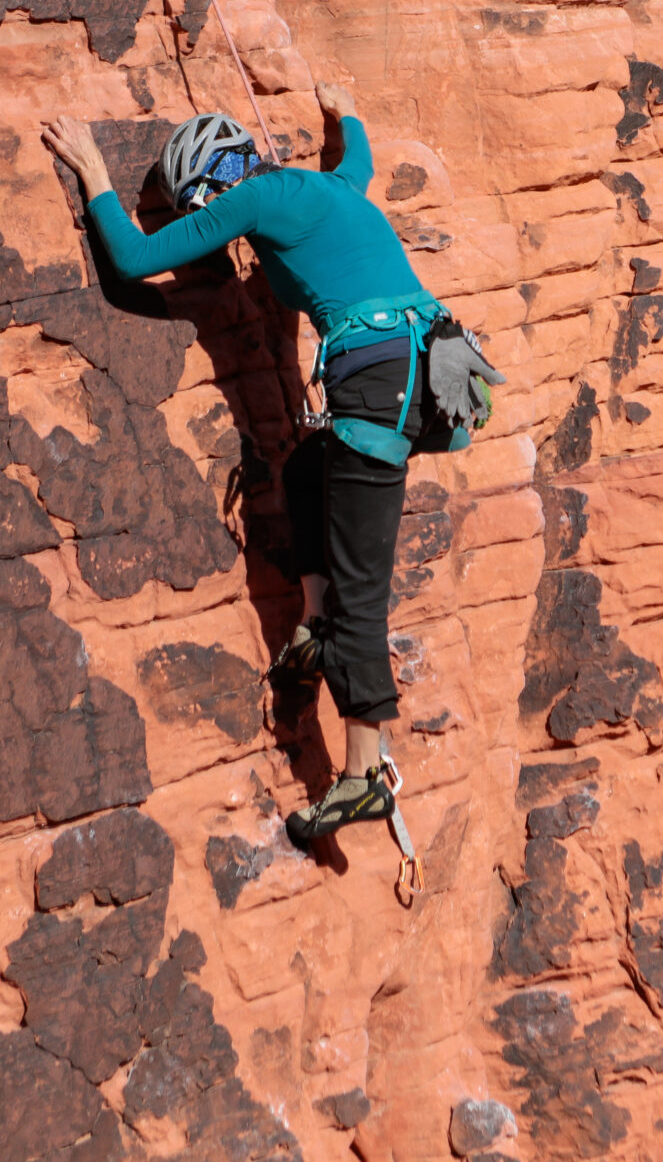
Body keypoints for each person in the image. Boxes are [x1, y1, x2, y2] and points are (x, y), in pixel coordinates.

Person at [44, 79, 503, 847]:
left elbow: (132, 260)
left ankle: (362, 775)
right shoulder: (327, 188)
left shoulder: (252, 200)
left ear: (213, 183)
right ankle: (317, 630)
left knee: (361, 591)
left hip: (381, 386)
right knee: (302, 469)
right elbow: (357, 160)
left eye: (202, 208)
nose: (211, 227)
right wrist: (341, 108)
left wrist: (92, 170)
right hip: (428, 372)